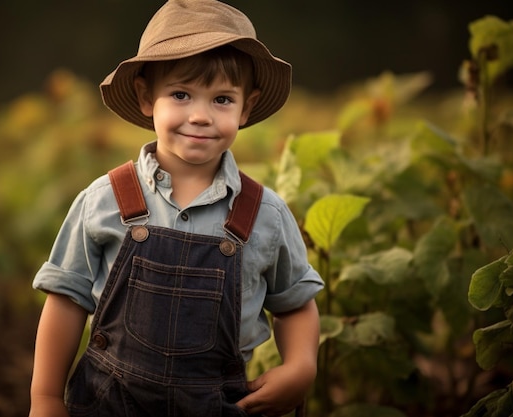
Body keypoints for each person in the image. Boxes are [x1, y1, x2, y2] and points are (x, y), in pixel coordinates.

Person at [28, 1, 323, 416]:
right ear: (147, 98)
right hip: (109, 403)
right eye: (181, 95)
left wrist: (301, 366)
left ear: (247, 108)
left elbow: (294, 302)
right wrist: (44, 398)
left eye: (222, 99)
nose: (200, 116)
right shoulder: (106, 199)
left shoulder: (264, 214)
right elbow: (66, 299)